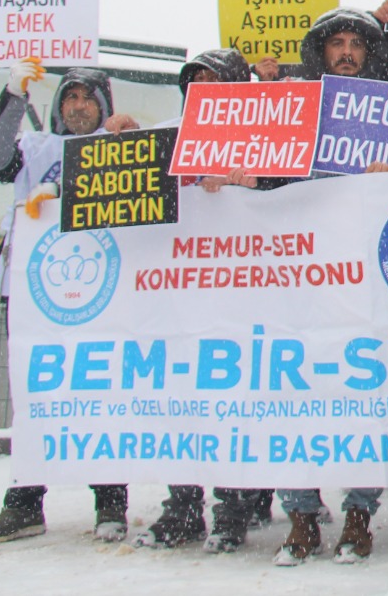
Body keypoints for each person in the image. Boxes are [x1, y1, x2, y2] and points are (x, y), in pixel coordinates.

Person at [0, 61, 137, 543]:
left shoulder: (117, 147)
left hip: (104, 292)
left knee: (104, 394)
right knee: (35, 397)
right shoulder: (33, 148)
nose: (78, 106)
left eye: (87, 97)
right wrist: (12, 95)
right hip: (36, 296)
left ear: (104, 104)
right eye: (69, 97)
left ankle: (111, 502)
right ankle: (24, 502)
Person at [134, 48, 278, 553]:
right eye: (193, 81)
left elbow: (298, 198)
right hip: (182, 304)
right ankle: (181, 508)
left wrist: (251, 182)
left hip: (247, 301)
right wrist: (124, 142)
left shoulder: (267, 136)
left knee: (236, 407)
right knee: (184, 405)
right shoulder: (169, 139)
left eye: (214, 81)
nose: (202, 90)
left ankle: (233, 509)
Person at [272, 6, 388, 565]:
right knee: (289, 398)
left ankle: (358, 513)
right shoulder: (290, 110)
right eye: (337, 42)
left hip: (368, 284)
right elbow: (266, 177)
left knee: (366, 400)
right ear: (319, 51)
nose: (347, 50)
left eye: (357, 42)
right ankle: (300, 515)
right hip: (300, 280)